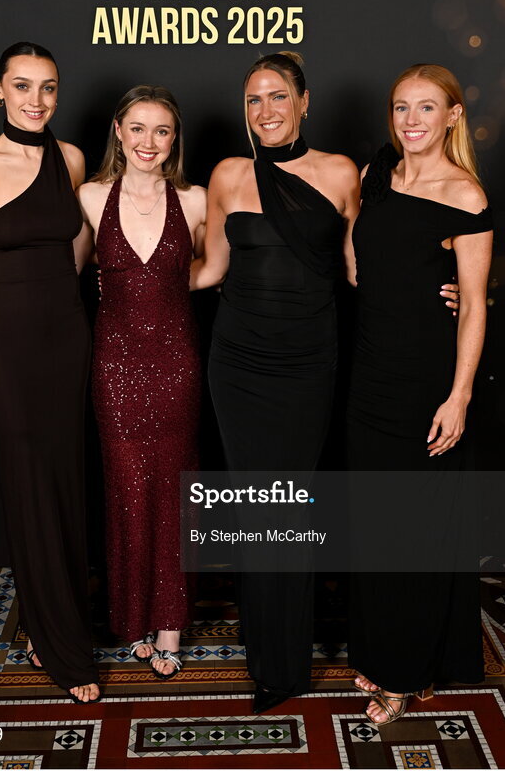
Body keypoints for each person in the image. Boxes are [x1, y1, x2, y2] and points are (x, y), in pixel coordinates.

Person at [191, 52, 361, 713]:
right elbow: (207, 270)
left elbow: (357, 270)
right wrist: (126, 288)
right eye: (253, 99)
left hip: (306, 363)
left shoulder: (339, 173)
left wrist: (445, 292)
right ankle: (268, 661)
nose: (264, 110)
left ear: (304, 101)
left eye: (277, 96)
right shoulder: (228, 175)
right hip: (236, 364)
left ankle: (286, 660)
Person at [0, 41, 100, 704]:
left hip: (66, 340)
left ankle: (49, 623)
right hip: (5, 349)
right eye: (21, 86)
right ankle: (61, 646)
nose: (35, 100)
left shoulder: (70, 159)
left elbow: (78, 250)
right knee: (28, 488)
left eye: (47, 88)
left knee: (66, 485)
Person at [346, 63, 493, 725]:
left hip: (424, 379)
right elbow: (363, 266)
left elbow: (475, 306)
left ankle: (401, 676)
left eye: (425, 108)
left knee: (415, 527)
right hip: (368, 372)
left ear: (452, 117)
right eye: (400, 107)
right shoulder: (375, 175)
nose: (409, 120)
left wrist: (458, 396)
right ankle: (389, 652)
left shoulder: (464, 195)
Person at [77, 86, 206, 680]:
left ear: (173, 139)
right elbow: (65, 269)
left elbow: (221, 266)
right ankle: (132, 619)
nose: (148, 142)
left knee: (174, 487)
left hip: (176, 362)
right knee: (126, 488)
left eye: (161, 131)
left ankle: (171, 623)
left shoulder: (197, 200)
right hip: (115, 364)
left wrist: (162, 290)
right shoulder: (89, 196)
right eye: (138, 129)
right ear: (119, 131)